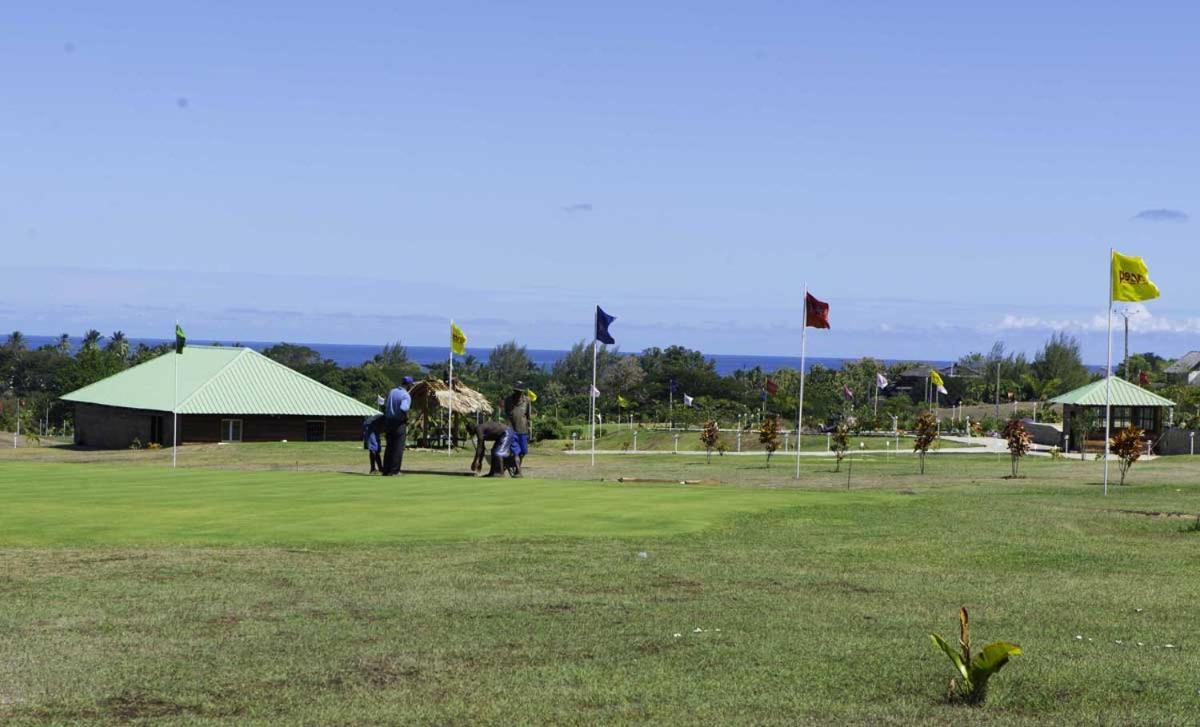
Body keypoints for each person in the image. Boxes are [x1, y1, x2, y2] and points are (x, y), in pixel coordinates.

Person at [382, 377, 413, 476]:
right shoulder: (406, 395)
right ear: (409, 385)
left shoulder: (392, 391)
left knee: (389, 447)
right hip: (398, 423)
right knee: (398, 448)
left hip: (388, 422)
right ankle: (394, 470)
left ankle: (386, 470)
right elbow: (403, 408)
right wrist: (405, 417)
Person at [502, 381, 531, 471]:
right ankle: (518, 470)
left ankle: (517, 467)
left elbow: (528, 415)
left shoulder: (527, 400)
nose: (517, 393)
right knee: (516, 452)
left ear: (522, 391)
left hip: (523, 430)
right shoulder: (508, 400)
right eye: (516, 390)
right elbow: (507, 413)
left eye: (519, 391)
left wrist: (528, 427)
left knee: (523, 451)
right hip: (511, 430)